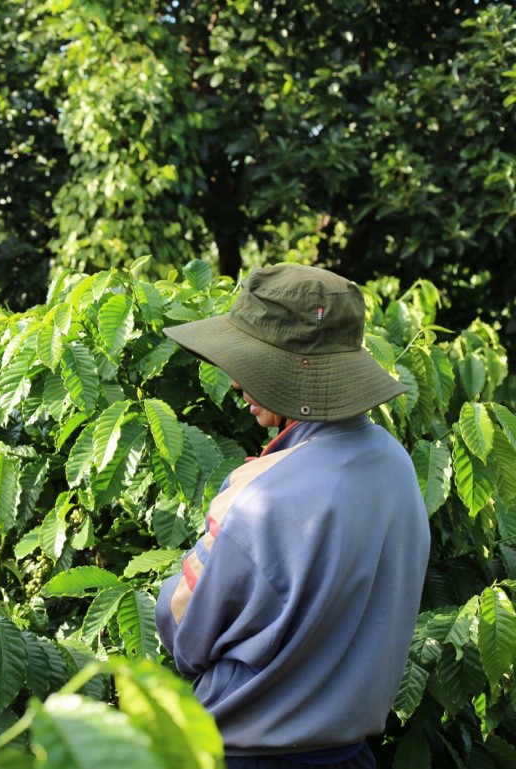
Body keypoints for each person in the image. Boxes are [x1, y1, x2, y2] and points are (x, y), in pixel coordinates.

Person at [154, 264, 430, 769]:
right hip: (349, 755)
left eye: (248, 364)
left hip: (242, 755)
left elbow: (183, 633)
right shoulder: (397, 467)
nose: (235, 380)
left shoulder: (262, 492)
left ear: (288, 372)